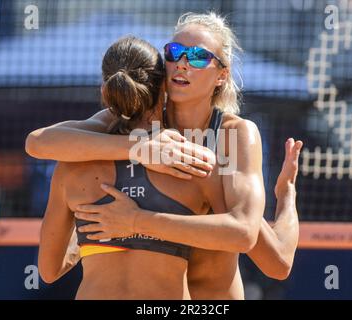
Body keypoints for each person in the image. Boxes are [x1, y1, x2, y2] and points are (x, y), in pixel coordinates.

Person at [29, 12, 302, 299]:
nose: (183, 63)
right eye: (174, 53)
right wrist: (140, 149)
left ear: (222, 74)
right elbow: (37, 142)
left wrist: (286, 196)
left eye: (198, 56)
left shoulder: (229, 137)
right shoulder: (140, 119)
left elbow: (274, 260)